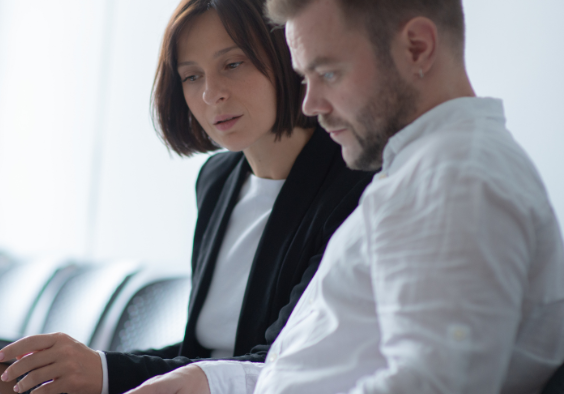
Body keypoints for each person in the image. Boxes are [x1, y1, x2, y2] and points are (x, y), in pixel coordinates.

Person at [125, 0, 564, 393]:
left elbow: (433, 385)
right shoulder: (419, 175)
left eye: (328, 72)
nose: (310, 103)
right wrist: (207, 381)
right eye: (304, 76)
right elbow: (297, 368)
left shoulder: (457, 183)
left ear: (416, 48)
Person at [0, 0, 372, 393]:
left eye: (232, 64)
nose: (212, 94)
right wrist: (85, 366)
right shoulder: (219, 179)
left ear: (287, 56)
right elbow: (197, 351)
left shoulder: (352, 186)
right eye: (192, 76)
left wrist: (100, 371)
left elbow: (287, 363)